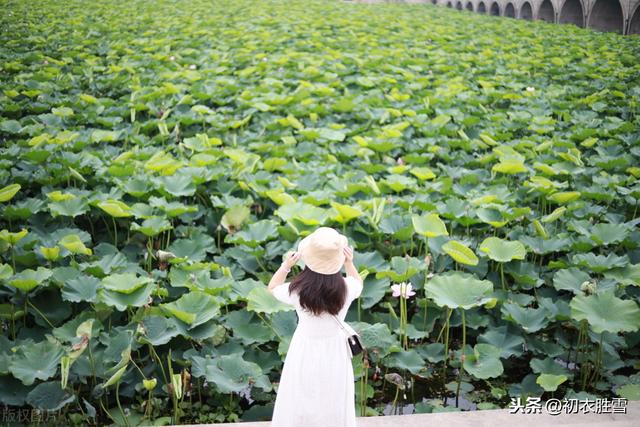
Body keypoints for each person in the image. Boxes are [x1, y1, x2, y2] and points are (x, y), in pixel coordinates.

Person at [267, 227, 364, 427]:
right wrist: (349, 262)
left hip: (304, 347)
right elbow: (358, 282)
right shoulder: (347, 288)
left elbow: (273, 287)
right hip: (335, 349)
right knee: (333, 396)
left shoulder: (297, 291)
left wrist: (286, 266)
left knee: (302, 394)